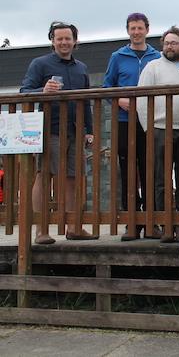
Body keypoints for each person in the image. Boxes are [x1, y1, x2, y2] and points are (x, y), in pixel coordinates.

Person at [20, 21, 96, 244]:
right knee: (45, 177)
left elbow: (86, 100)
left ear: (75, 41)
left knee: (74, 178)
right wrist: (42, 90)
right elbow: (24, 91)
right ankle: (41, 230)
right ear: (52, 40)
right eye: (59, 38)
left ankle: (74, 227)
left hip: (75, 129)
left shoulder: (81, 67)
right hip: (49, 130)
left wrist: (89, 130)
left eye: (68, 38)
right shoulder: (40, 64)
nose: (64, 42)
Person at [136, 26, 179, 243]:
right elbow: (142, 99)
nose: (169, 46)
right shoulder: (152, 67)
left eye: (173, 43)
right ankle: (166, 224)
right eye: (166, 43)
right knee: (161, 179)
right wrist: (149, 128)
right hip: (160, 129)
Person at [103, 13, 161, 241]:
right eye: (132, 28)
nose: (136, 32)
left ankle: (152, 222)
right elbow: (107, 88)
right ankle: (131, 224)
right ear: (128, 31)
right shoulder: (117, 57)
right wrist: (119, 100)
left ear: (147, 29)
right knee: (128, 172)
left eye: (140, 28)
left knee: (151, 170)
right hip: (125, 122)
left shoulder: (157, 56)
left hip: (151, 121)